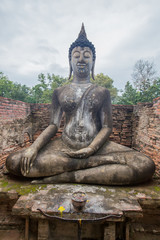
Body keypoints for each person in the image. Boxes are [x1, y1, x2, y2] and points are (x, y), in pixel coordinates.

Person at [6, 24, 155, 185]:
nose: (82, 59)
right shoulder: (59, 91)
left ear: (93, 61)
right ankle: (96, 165)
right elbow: (53, 125)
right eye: (76, 55)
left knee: (145, 165)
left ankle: (67, 176)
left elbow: (107, 127)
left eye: (87, 55)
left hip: (97, 147)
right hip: (65, 145)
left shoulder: (102, 91)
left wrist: (91, 149)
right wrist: (34, 147)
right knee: (14, 162)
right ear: (70, 61)